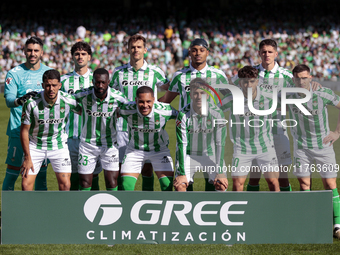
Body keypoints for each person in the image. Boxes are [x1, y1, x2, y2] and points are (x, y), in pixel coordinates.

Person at [159, 38, 229, 190]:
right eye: (194, 50)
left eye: (201, 50)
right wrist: (148, 103)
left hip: (209, 136)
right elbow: (166, 100)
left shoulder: (217, 74)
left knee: (216, 184)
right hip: (187, 133)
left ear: (207, 53)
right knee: (183, 184)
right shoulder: (180, 75)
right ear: (189, 52)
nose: (198, 53)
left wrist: (218, 112)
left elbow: (229, 96)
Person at [231, 39, 294, 191]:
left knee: (282, 179)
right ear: (259, 53)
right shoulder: (250, 73)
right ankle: (251, 212)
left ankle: (285, 211)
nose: (267, 55)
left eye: (270, 52)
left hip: (278, 130)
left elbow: (298, 98)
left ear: (276, 54)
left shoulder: (286, 76)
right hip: (254, 134)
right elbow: (231, 90)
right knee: (254, 176)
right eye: (264, 52)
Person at [110, 34, 169, 191]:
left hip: (147, 127)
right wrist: (115, 109)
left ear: (145, 50)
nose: (136, 50)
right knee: (123, 168)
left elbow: (170, 91)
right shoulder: (118, 72)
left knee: (147, 168)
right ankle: (122, 203)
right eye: (133, 47)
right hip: (123, 127)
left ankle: (146, 199)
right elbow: (111, 94)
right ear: (128, 49)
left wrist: (160, 106)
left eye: (139, 47)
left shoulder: (155, 71)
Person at [289, 64, 340, 239]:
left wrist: (337, 132)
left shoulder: (322, 92)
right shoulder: (287, 93)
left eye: (304, 77)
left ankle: (337, 225)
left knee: (330, 185)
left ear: (310, 77)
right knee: (304, 185)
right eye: (297, 78)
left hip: (323, 146)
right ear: (293, 79)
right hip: (301, 146)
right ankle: (308, 223)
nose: (301, 81)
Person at [220, 66, 280, 191]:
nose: (248, 85)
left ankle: (278, 209)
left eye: (252, 81)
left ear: (257, 81)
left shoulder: (269, 97)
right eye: (245, 82)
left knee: (273, 182)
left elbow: (292, 101)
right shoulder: (232, 99)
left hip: (265, 146)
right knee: (237, 183)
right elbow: (213, 110)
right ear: (240, 83)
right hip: (242, 148)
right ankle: (239, 209)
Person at [3, 36, 51, 191]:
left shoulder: (49, 73)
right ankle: (8, 212)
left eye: (36, 50)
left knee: (41, 174)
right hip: (18, 131)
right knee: (12, 172)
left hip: (40, 134)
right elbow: (9, 100)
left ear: (42, 52)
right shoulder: (14, 73)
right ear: (24, 51)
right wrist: (20, 100)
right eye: (29, 50)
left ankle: (39, 212)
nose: (32, 53)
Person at [20, 69, 81, 191]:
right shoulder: (31, 103)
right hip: (35, 146)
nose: (51, 89)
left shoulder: (68, 100)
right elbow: (24, 131)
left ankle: (62, 210)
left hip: (58, 146)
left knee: (65, 184)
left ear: (60, 85)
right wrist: (27, 157)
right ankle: (30, 210)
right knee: (26, 185)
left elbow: (84, 112)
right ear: (43, 85)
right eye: (48, 85)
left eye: (54, 85)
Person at [74, 68, 128, 191]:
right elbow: (66, 100)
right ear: (92, 81)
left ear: (108, 81)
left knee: (111, 182)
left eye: (103, 82)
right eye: (97, 82)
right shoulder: (83, 94)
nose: (100, 85)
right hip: (88, 145)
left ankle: (113, 208)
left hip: (110, 145)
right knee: (85, 182)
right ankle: (82, 208)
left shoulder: (118, 97)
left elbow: (128, 109)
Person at [173, 78, 228, 192]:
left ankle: (216, 209)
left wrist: (220, 172)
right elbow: (181, 145)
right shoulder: (183, 114)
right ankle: (186, 209)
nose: (199, 97)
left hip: (210, 153)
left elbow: (220, 144)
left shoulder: (217, 113)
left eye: (202, 93)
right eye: (195, 93)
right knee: (180, 185)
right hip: (189, 154)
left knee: (221, 185)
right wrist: (182, 174)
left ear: (208, 94)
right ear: (191, 95)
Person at [119, 86, 177, 191]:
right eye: (141, 102)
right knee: (126, 185)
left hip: (159, 150)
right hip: (134, 150)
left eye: (148, 101)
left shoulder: (165, 110)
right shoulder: (126, 109)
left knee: (167, 185)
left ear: (154, 100)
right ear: (136, 100)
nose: (145, 105)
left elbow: (183, 116)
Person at [61, 41, 101, 190]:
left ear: (89, 57)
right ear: (72, 57)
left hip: (93, 138)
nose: (80, 57)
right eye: (77, 54)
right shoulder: (64, 81)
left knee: (93, 177)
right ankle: (74, 210)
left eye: (83, 54)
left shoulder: (97, 80)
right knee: (74, 176)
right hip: (71, 136)